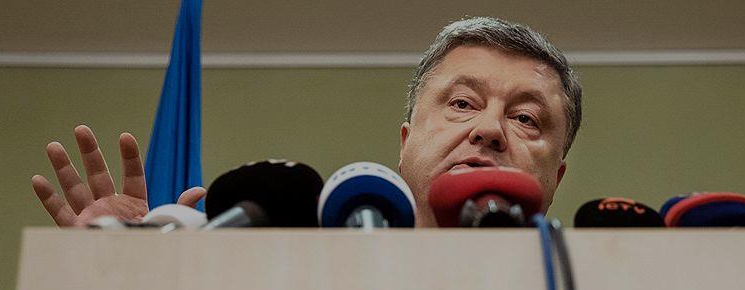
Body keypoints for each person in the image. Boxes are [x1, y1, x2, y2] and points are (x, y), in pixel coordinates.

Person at [31, 17, 583, 228]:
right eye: (462, 103)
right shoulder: (281, 276)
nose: (489, 129)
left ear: (556, 178)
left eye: (525, 117)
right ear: (406, 142)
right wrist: (118, 277)